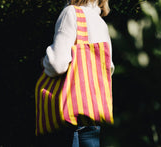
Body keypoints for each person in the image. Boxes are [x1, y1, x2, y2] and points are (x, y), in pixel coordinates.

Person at [40, 0, 114, 146]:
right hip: (93, 115)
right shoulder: (101, 22)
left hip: (70, 115)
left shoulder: (71, 13)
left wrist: (44, 62)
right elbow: (108, 68)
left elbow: (57, 65)